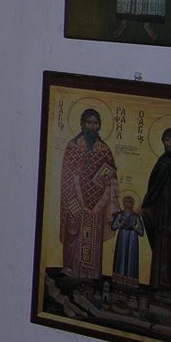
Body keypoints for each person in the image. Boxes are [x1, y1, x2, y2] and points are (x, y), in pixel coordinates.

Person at [58, 108, 119, 278]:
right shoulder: (72, 146)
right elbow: (66, 173)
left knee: (92, 237)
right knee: (73, 232)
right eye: (89, 122)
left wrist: (106, 181)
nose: (92, 126)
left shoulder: (104, 150)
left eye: (95, 123)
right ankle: (70, 269)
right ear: (82, 124)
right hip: (74, 199)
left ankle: (90, 273)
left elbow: (111, 175)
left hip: (97, 201)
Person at [141, 127, 171, 294]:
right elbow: (152, 190)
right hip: (161, 215)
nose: (170, 144)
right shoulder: (161, 163)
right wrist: (146, 207)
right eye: (167, 140)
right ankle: (159, 284)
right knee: (162, 247)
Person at [110, 195, 145, 287]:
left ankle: (130, 281)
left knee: (131, 259)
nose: (128, 204)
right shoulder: (120, 214)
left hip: (132, 240)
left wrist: (135, 228)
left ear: (132, 203)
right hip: (122, 238)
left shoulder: (136, 216)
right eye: (126, 201)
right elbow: (113, 227)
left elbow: (141, 233)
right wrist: (119, 224)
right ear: (123, 203)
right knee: (120, 258)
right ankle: (118, 279)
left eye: (130, 202)